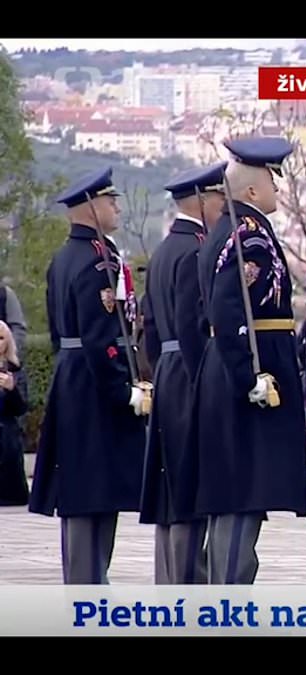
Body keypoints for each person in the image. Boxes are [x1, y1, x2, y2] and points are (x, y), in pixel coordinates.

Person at [192, 136, 306, 584]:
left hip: (237, 375)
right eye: (272, 182)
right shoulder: (246, 236)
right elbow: (228, 314)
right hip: (247, 380)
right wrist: (251, 377)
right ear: (251, 192)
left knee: (241, 497)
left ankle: (227, 594)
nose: (278, 190)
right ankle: (227, 604)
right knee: (241, 498)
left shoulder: (232, 230)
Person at [29, 166, 151, 584]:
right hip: (94, 386)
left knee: (89, 487)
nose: (116, 206)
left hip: (73, 378)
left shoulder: (66, 257)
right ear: (90, 208)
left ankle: (88, 581)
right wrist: (123, 390)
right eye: (109, 200)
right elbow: (103, 338)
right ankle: (87, 587)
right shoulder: (97, 264)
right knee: (91, 490)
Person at [139, 161, 227, 584]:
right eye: (218, 199)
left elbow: (149, 329)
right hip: (189, 375)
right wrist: (200, 381)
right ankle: (189, 588)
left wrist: (162, 372)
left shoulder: (162, 252)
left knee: (171, 488)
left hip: (167, 372)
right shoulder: (195, 250)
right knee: (190, 489)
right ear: (203, 200)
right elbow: (195, 327)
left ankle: (170, 581)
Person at [0, 321, 28, 507]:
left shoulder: (15, 369)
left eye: (1, 338)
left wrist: (11, 389)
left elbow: (22, 408)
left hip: (6, 435)